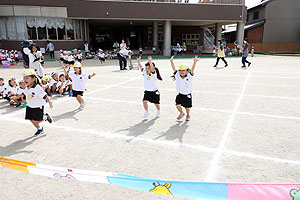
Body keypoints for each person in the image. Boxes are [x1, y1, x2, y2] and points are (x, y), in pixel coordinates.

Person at [22, 69, 53, 136]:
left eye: (27, 78)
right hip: (30, 106)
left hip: (38, 106)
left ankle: (45, 116)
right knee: (31, 119)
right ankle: (40, 129)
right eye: (24, 78)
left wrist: (50, 102)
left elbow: (45, 96)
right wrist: (16, 98)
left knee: (36, 120)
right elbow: (23, 94)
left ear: (33, 79)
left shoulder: (37, 88)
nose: (25, 79)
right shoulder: (27, 87)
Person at [170, 55, 200, 121]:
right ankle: (181, 113)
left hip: (187, 94)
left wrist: (194, 62)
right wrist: (171, 61)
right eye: (180, 70)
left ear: (187, 71)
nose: (181, 72)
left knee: (187, 107)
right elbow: (174, 69)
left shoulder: (189, 76)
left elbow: (192, 70)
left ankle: (188, 115)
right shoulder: (177, 75)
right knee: (177, 105)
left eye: (183, 70)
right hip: (180, 94)